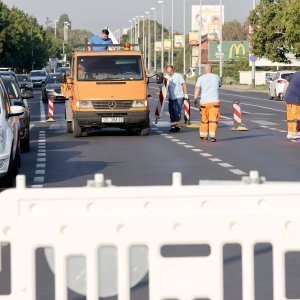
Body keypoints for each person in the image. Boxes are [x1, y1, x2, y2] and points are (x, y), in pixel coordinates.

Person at [193, 64, 221, 142]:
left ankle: (204, 136)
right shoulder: (217, 77)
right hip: (214, 102)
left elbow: (197, 88)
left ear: (204, 70)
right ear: (211, 69)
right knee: (213, 120)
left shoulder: (200, 78)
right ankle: (212, 136)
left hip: (204, 102)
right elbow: (219, 85)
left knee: (204, 119)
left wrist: (195, 99)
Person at [165, 65, 188, 132]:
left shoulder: (178, 76)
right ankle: (173, 126)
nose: (169, 73)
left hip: (178, 97)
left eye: (171, 71)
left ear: (173, 70)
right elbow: (164, 86)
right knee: (171, 112)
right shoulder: (166, 77)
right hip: (171, 98)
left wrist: (185, 93)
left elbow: (183, 84)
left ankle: (177, 127)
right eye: (168, 72)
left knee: (177, 111)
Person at [283, 72, 300, 142]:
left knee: (290, 116)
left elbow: (287, 81)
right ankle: (295, 133)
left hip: (288, 97)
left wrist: (284, 92)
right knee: (297, 116)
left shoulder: (296, 73)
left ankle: (290, 132)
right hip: (295, 99)